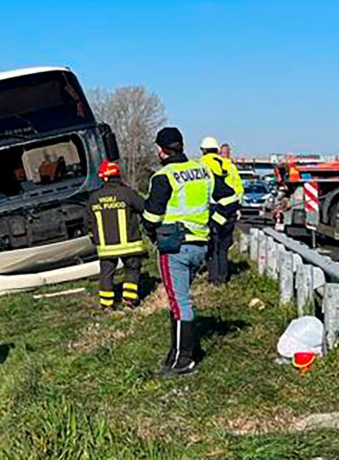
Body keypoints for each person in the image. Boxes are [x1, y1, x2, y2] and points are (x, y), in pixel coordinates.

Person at [142, 127, 231, 375]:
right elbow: (229, 198)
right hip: (200, 246)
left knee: (179, 303)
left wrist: (150, 233)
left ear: (161, 150)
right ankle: (175, 354)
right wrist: (216, 225)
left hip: (174, 247)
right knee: (178, 302)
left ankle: (184, 360)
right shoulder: (203, 171)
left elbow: (151, 216)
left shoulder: (164, 176)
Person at [86, 160, 147, 310]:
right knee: (132, 270)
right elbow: (144, 208)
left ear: (103, 177)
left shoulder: (94, 198)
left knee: (106, 274)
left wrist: (95, 239)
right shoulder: (127, 193)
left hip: (106, 248)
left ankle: (106, 305)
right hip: (130, 245)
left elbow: (88, 223)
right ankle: (129, 300)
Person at [199, 137, 241, 285]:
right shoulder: (229, 165)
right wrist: (236, 208)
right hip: (230, 208)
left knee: (211, 245)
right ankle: (223, 278)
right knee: (223, 246)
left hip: (213, 208)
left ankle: (214, 279)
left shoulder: (201, 165)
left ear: (203, 150)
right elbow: (238, 188)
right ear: (217, 150)